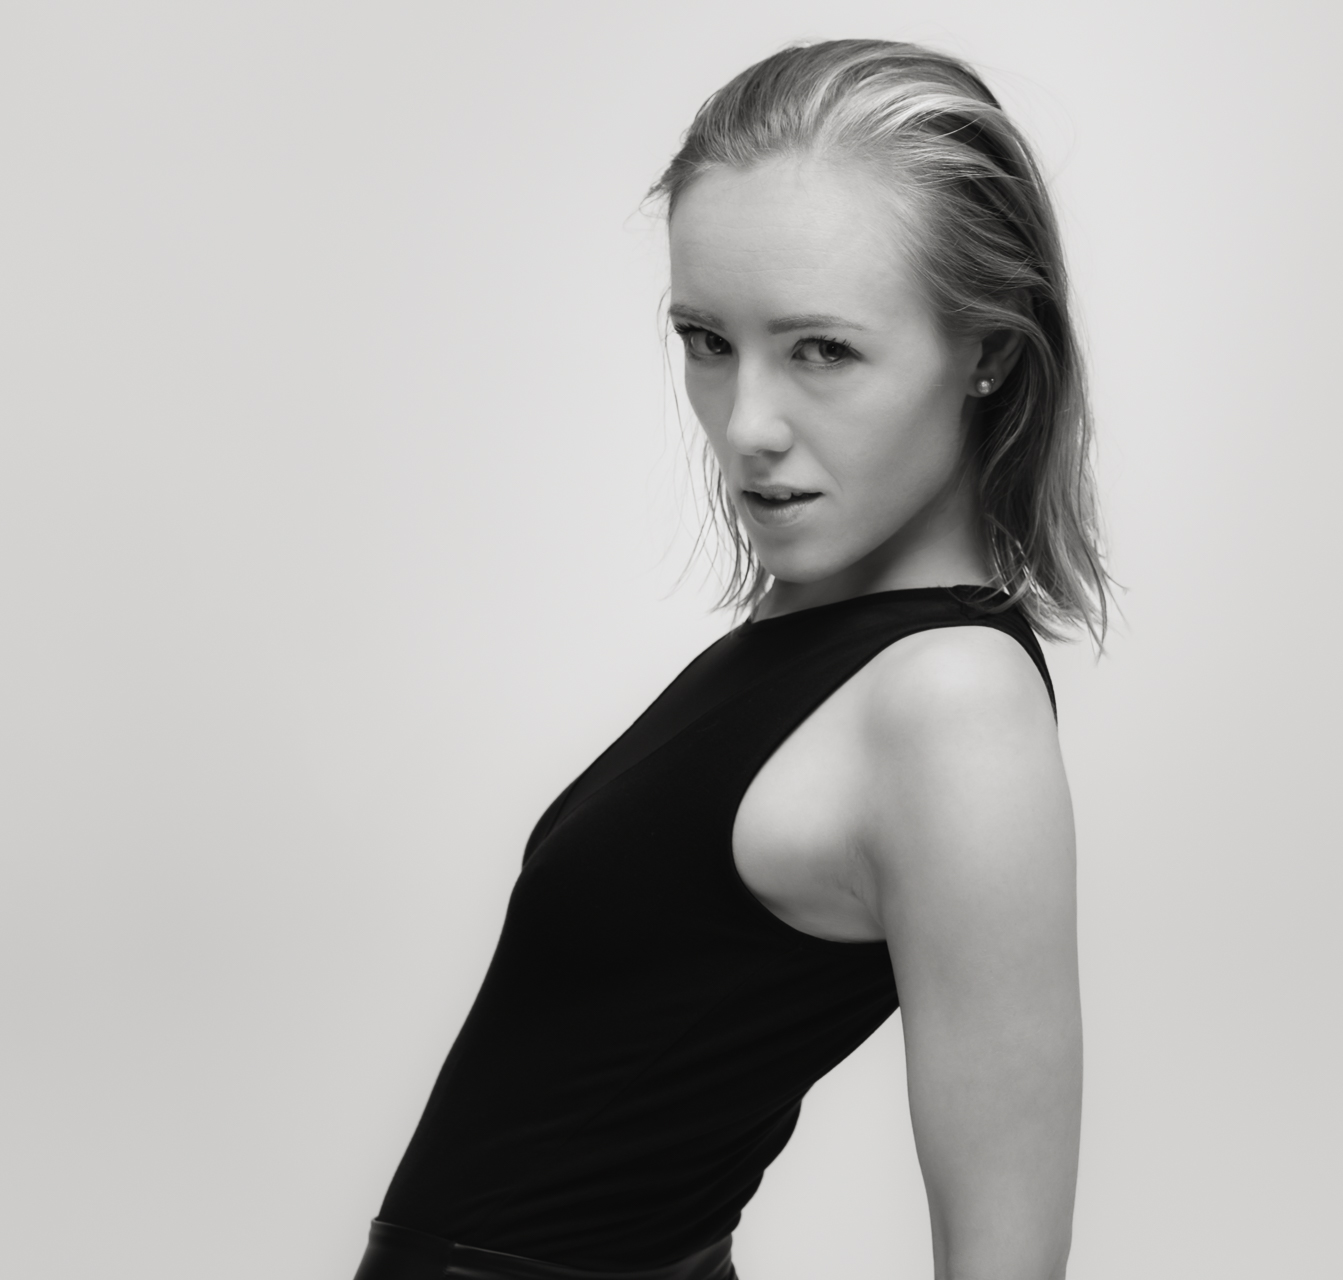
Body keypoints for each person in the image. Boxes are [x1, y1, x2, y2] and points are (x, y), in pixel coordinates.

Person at [353, 38, 1112, 1280]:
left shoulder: (950, 703)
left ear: (988, 348)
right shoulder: (823, 639)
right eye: (707, 339)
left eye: (822, 350)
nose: (746, 424)